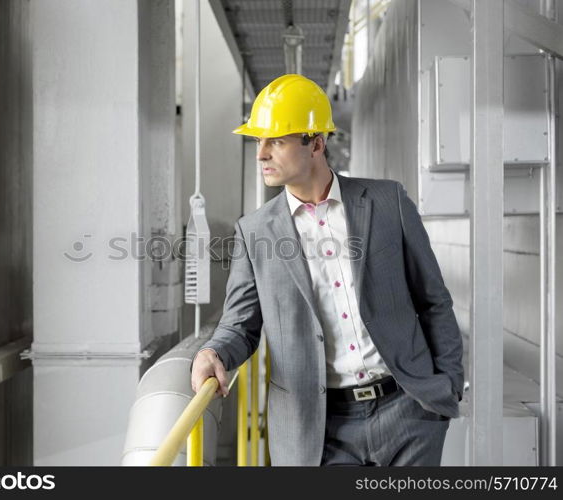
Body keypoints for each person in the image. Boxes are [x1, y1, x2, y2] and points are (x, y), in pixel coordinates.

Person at [190, 74, 464, 466]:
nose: (261, 153)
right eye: (258, 141)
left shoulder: (388, 202)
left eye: (276, 141)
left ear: (316, 143)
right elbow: (241, 324)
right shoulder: (254, 233)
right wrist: (211, 351)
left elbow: (433, 300)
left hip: (409, 412)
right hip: (319, 430)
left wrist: (447, 386)